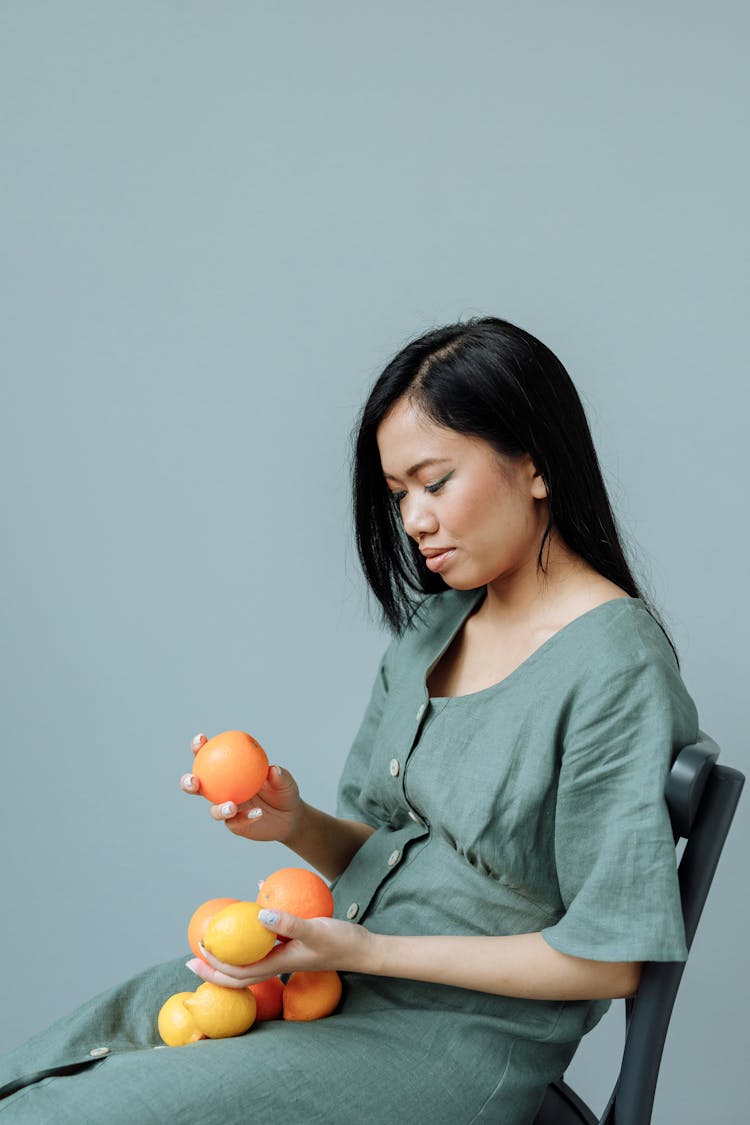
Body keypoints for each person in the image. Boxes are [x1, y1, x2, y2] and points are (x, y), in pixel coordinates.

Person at [0, 317, 698, 1124]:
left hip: (443, 1046)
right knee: (51, 1073)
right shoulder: (437, 627)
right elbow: (395, 853)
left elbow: (610, 961)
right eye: (398, 494)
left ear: (535, 463)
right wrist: (294, 824)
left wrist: (367, 952)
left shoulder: (615, 666)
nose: (413, 521)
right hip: (325, 989)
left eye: (435, 482)